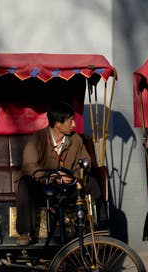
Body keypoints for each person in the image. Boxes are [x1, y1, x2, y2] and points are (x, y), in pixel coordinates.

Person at [15, 101, 100, 246]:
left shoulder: (76, 139)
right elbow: (29, 165)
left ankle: (96, 226)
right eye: (70, 120)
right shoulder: (37, 139)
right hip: (43, 186)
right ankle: (25, 233)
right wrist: (49, 176)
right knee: (25, 183)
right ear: (58, 124)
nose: (73, 125)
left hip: (67, 187)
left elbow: (86, 161)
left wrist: (73, 175)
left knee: (91, 183)